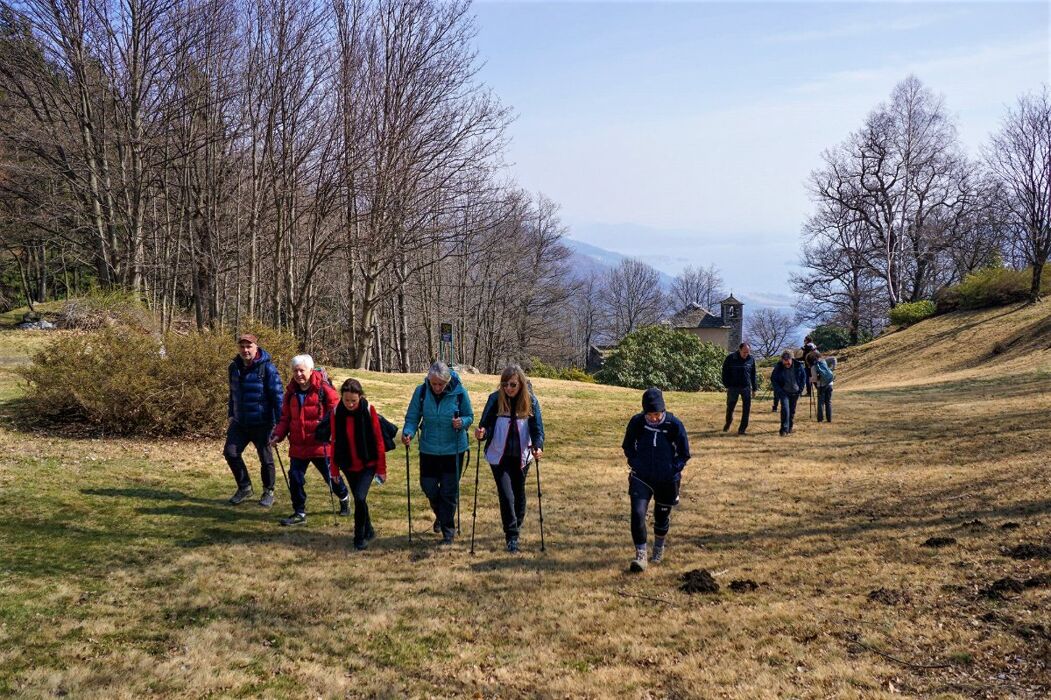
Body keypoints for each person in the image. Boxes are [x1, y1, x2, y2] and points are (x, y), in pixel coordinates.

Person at [270, 354, 350, 526]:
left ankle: (344, 497)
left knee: (331, 478)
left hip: (321, 445)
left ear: (311, 370)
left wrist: (330, 432)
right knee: (295, 478)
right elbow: (285, 418)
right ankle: (299, 512)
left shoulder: (324, 390)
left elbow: (337, 414)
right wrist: (277, 435)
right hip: (299, 445)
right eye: (295, 371)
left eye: (301, 370)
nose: (298, 374)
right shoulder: (290, 392)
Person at [475, 365, 545, 553]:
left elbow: (537, 430)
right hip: (499, 456)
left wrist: (538, 447)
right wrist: (482, 433)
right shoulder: (494, 399)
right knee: (506, 496)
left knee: (519, 494)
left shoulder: (531, 402)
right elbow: (485, 425)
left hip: (522, 456)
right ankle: (511, 536)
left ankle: (515, 527)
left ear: (520, 383)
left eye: (512, 384)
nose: (508, 388)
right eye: (504, 384)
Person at [402, 361, 474, 545]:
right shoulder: (421, 392)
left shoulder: (459, 392)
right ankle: (441, 516)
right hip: (429, 449)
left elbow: (469, 416)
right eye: (433, 383)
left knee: (449, 492)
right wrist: (408, 432)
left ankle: (448, 532)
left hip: (453, 450)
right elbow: (412, 417)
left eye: (440, 384)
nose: (437, 387)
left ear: (447, 380)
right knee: (429, 487)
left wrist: (462, 422)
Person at [622, 387, 690, 572]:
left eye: (657, 414)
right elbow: (627, 446)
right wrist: (635, 463)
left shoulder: (674, 424)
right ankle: (641, 556)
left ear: (663, 411)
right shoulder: (636, 423)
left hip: (666, 480)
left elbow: (684, 453)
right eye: (649, 414)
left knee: (661, 518)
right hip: (641, 477)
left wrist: (672, 470)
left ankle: (658, 548)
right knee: (637, 514)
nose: (653, 418)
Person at [330, 378, 396, 550]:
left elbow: (378, 441)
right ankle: (369, 529)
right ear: (341, 398)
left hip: (368, 463)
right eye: (346, 400)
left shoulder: (368, 410)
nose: (350, 404)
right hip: (347, 463)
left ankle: (358, 536)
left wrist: (381, 469)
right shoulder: (336, 412)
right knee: (361, 500)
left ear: (360, 397)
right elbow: (334, 442)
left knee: (359, 497)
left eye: (353, 400)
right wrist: (334, 470)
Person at [225, 333, 283, 507]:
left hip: (263, 422)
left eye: (249, 346)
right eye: (242, 346)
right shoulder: (233, 367)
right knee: (230, 452)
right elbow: (232, 393)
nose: (245, 350)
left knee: (266, 459)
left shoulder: (268, 369)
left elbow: (278, 397)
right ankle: (245, 487)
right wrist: (231, 413)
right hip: (240, 422)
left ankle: (269, 491)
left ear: (256, 347)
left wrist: (280, 425)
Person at [721, 342, 757, 435]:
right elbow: (724, 372)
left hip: (746, 387)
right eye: (744, 352)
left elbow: (753, 375)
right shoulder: (731, 358)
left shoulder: (751, 359)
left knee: (746, 409)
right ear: (740, 350)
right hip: (733, 387)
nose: (746, 354)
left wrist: (754, 388)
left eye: (748, 352)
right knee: (730, 407)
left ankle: (742, 429)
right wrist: (727, 385)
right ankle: (728, 423)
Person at [771, 350, 807, 436]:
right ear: (782, 360)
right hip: (784, 392)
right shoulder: (778, 367)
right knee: (785, 409)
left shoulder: (798, 366)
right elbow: (773, 379)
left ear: (792, 359)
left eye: (788, 360)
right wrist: (779, 390)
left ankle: (790, 427)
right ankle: (783, 430)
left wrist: (800, 389)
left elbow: (803, 377)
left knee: (792, 411)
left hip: (795, 392)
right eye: (784, 360)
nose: (787, 362)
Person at [811, 351, 835, 423]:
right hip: (830, 383)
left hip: (821, 385)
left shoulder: (813, 367)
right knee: (828, 402)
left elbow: (815, 379)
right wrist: (831, 369)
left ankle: (820, 419)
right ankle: (829, 419)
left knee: (821, 402)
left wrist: (811, 379)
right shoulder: (824, 361)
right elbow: (834, 359)